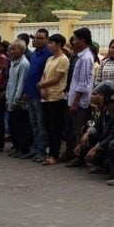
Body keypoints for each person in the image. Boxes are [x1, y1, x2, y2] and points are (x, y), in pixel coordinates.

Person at [69, 81, 114, 171]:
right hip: (103, 142)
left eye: (97, 95)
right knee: (88, 130)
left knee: (105, 161)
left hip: (109, 146)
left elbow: (112, 137)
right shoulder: (105, 111)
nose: (93, 97)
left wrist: (95, 149)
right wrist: (87, 134)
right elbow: (97, 126)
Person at [38, 33, 70, 165]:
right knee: (46, 127)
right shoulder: (50, 59)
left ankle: (54, 155)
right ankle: (48, 152)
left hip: (57, 98)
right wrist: (41, 88)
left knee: (55, 129)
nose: (49, 45)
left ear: (58, 44)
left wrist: (41, 85)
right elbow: (44, 76)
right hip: (46, 97)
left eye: (51, 43)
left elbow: (57, 78)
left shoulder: (63, 59)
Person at [65, 27, 96, 162]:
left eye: (76, 40)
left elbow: (83, 84)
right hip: (74, 99)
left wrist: (75, 102)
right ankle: (74, 154)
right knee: (73, 128)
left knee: (79, 129)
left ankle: (80, 156)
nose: (74, 42)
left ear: (83, 41)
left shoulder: (86, 58)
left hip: (80, 102)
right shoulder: (80, 56)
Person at [21, 29, 51, 162]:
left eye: (40, 38)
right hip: (31, 93)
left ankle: (42, 151)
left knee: (41, 124)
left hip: (41, 95)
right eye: (36, 38)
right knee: (33, 124)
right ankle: (35, 149)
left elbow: (46, 75)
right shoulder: (33, 54)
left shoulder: (49, 54)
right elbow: (30, 75)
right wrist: (26, 91)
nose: (37, 40)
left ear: (47, 40)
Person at [5, 40, 32, 157]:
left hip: (19, 101)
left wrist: (16, 100)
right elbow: (10, 83)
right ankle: (16, 146)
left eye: (14, 49)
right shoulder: (13, 62)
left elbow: (21, 84)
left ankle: (23, 148)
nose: (11, 51)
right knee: (13, 125)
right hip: (11, 98)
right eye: (10, 49)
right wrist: (7, 97)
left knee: (21, 126)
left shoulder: (24, 64)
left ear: (21, 50)